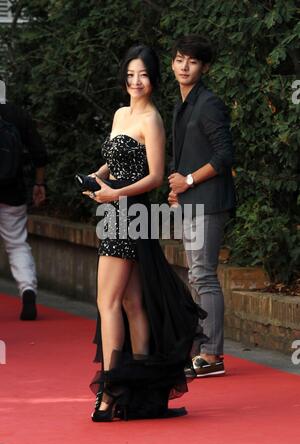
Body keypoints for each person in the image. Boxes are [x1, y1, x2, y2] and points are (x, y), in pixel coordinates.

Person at [83, 45, 206, 422]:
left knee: (108, 304)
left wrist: (114, 192)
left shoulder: (151, 119)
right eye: (131, 74)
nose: (136, 81)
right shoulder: (122, 113)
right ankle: (144, 399)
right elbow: (119, 157)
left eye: (144, 75)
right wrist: (99, 176)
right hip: (116, 211)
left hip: (129, 213)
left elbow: (153, 176)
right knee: (132, 304)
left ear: (153, 79)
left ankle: (109, 395)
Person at [168, 35, 236, 378]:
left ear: (204, 67)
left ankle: (212, 355)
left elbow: (224, 155)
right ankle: (202, 347)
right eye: (180, 59)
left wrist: (189, 181)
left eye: (192, 61)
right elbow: (188, 155)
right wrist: (178, 188)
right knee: (196, 276)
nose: (184, 66)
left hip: (208, 202)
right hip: (191, 201)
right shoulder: (183, 102)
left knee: (204, 276)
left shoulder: (208, 103)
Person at [0, 79, 48, 320]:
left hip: (12, 190)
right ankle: (27, 290)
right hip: (13, 190)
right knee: (17, 243)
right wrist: (39, 184)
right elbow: (40, 154)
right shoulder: (18, 115)